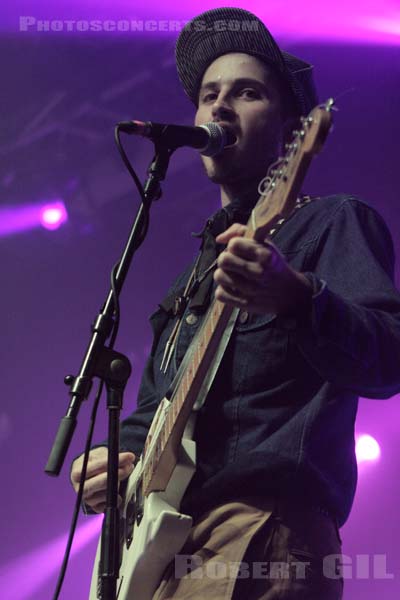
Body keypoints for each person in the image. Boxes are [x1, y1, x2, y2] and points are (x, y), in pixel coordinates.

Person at [70, 7, 400, 599]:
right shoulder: (193, 276)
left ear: (292, 125)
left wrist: (298, 297)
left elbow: (390, 358)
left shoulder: (330, 222)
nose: (219, 107)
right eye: (208, 95)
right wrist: (115, 460)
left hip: (261, 531)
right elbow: (156, 410)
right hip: (164, 549)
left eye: (246, 93)